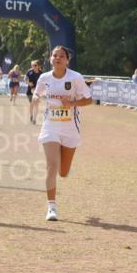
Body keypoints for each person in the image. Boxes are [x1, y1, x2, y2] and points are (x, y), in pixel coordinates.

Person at [32, 46, 92, 221]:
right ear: (50, 59)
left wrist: (72, 104)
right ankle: (51, 207)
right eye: (54, 55)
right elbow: (37, 93)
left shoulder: (75, 78)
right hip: (50, 125)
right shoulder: (44, 78)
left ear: (67, 60)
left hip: (70, 128)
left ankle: (61, 157)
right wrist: (35, 97)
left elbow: (89, 100)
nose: (57, 58)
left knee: (63, 172)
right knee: (51, 166)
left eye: (61, 56)